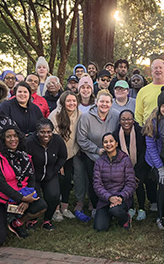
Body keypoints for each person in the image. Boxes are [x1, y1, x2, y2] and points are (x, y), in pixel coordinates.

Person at [0, 120, 46, 245]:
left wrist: (27, 198)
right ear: (3, 139)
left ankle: (16, 223)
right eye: (8, 136)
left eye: (15, 136)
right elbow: (0, 184)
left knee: (41, 206)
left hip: (19, 199)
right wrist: (22, 198)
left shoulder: (24, 156)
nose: (13, 139)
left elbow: (32, 179)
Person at [77, 90, 120, 218]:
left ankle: (113, 205)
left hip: (111, 154)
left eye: (107, 102)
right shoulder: (86, 117)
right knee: (95, 181)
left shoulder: (116, 116)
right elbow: (81, 139)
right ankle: (96, 206)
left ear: (111, 103)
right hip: (92, 154)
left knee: (111, 180)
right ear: (96, 102)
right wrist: (96, 150)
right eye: (102, 101)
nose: (104, 104)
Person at [25, 119, 67, 231]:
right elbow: (24, 160)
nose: (46, 135)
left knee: (54, 196)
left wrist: (55, 169)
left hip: (50, 174)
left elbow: (63, 156)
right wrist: (30, 174)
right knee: (35, 198)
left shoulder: (57, 140)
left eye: (49, 132)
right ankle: (32, 219)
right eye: (42, 132)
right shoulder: (29, 142)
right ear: (37, 132)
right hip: (34, 176)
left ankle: (47, 220)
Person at [113, 110, 153, 221]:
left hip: (140, 164)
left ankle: (141, 208)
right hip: (123, 166)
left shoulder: (140, 132)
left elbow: (144, 151)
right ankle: (130, 207)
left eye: (129, 119)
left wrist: (136, 170)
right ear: (120, 121)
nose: (126, 122)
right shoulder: (116, 134)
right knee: (127, 184)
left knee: (138, 183)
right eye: (123, 119)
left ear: (133, 120)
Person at [144, 87, 164, 228]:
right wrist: (160, 168)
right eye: (163, 106)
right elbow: (150, 148)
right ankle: (160, 216)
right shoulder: (153, 121)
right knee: (162, 185)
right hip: (157, 158)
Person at [48, 91, 83, 220]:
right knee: (58, 181)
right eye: (69, 101)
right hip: (57, 155)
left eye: (74, 101)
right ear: (63, 102)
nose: (72, 103)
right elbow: (52, 138)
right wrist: (58, 160)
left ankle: (65, 208)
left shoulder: (80, 114)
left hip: (71, 153)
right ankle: (55, 210)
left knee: (67, 181)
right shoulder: (55, 115)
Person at [92, 133, 137, 231]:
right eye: (105, 142)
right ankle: (109, 215)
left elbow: (131, 183)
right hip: (105, 199)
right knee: (100, 228)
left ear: (116, 143)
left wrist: (120, 197)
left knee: (115, 210)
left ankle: (125, 218)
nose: (108, 144)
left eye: (111, 141)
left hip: (122, 198)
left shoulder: (125, 160)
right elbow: (97, 184)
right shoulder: (99, 162)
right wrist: (109, 198)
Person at [135, 59, 164, 124]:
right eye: (155, 68)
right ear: (152, 72)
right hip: (147, 130)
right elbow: (138, 114)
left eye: (160, 68)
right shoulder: (143, 91)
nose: (158, 70)